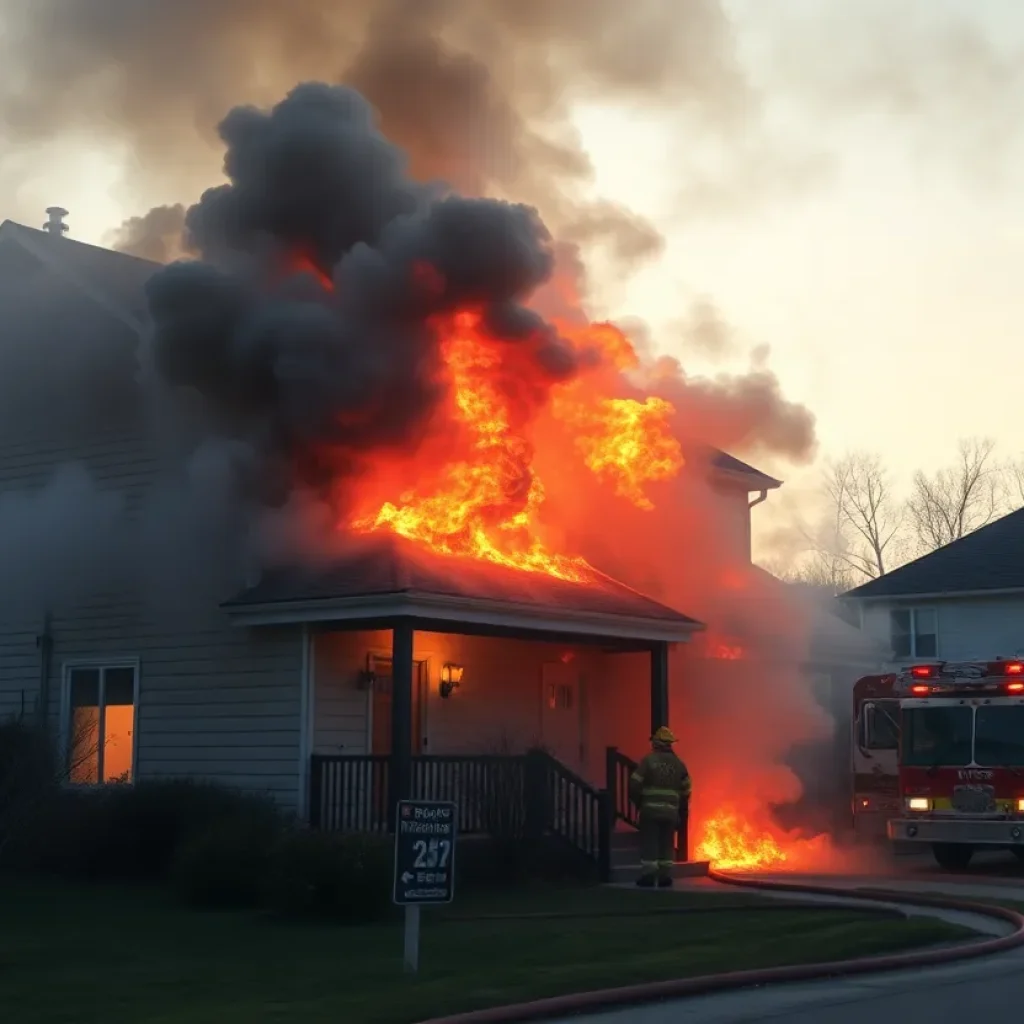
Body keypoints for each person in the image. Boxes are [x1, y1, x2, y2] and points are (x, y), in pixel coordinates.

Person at [629, 726, 692, 888]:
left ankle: (649, 877)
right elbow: (686, 789)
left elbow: (635, 783)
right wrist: (681, 808)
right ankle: (664, 878)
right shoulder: (679, 764)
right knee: (666, 843)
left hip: (650, 810)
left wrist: (638, 801)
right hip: (670, 811)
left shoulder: (649, 761)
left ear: (656, 743)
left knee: (650, 842)